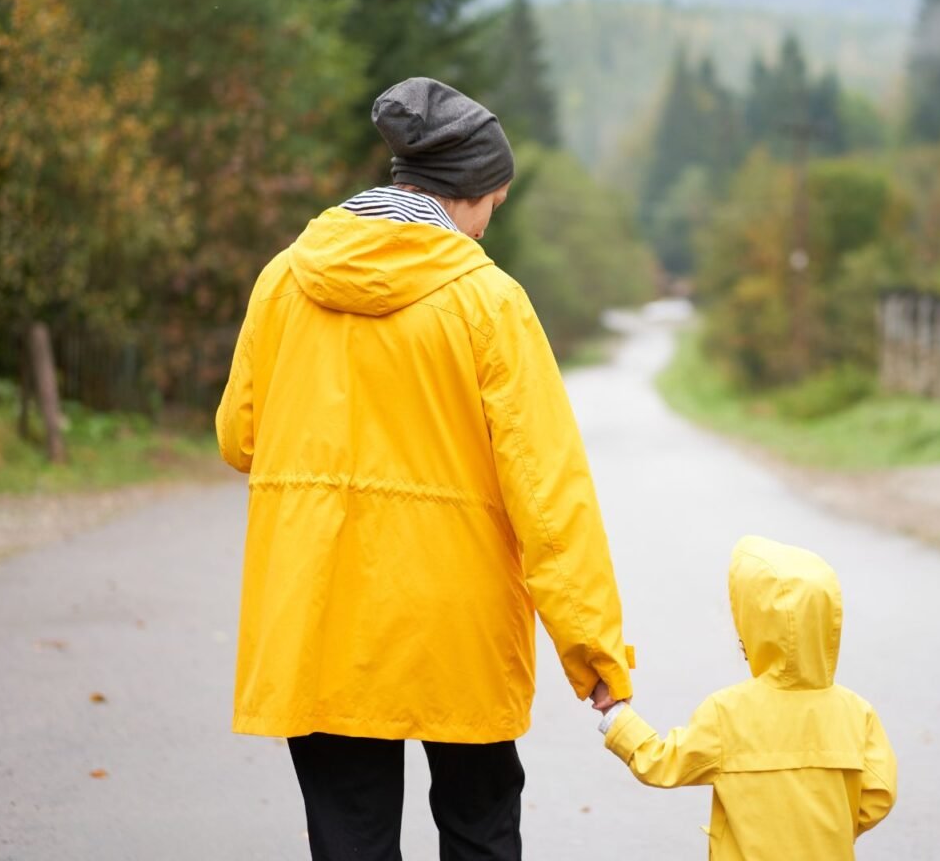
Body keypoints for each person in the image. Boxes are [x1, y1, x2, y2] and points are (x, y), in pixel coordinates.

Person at [216, 77, 634, 861]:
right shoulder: (489, 302)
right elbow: (550, 498)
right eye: (493, 207)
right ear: (467, 194)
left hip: (319, 616)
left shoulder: (284, 280)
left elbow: (241, 438)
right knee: (479, 829)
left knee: (350, 836)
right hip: (455, 629)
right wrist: (593, 652)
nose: (486, 228)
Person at [598, 535, 896, 860]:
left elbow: (659, 763)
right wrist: (826, 833)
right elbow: (879, 794)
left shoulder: (727, 712)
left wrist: (616, 714)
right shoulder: (857, 713)